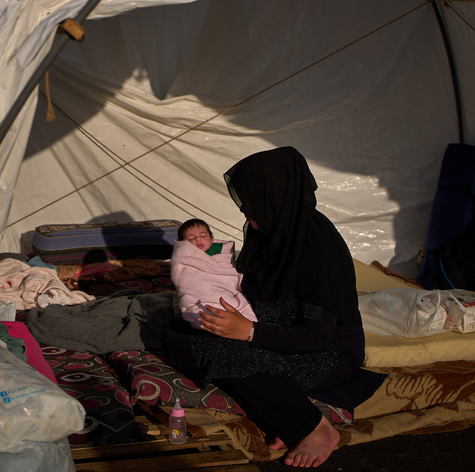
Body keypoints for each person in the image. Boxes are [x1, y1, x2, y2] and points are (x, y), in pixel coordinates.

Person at [163, 147, 385, 468]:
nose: (245, 210)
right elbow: (249, 296)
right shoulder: (266, 232)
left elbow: (316, 337)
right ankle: (288, 409)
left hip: (325, 355)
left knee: (219, 352)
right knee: (181, 332)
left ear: (276, 197)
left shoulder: (317, 246)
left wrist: (248, 331)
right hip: (274, 335)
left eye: (253, 199)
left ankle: (313, 426)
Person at [171, 218, 256, 328]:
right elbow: (181, 278)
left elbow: (233, 274)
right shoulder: (183, 259)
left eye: (203, 236)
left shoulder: (223, 257)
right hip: (199, 301)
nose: (198, 239)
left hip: (227, 298)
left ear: (211, 239)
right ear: (183, 244)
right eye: (191, 238)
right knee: (199, 315)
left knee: (244, 312)